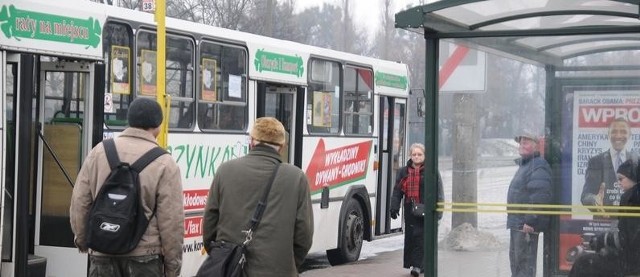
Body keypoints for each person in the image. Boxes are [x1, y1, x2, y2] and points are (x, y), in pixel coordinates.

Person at [70, 97, 184, 277]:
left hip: (102, 252)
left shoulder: (99, 151)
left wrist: (84, 240)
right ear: (158, 125)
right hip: (145, 257)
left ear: (129, 121)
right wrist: (172, 268)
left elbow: (80, 201)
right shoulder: (164, 162)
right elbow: (171, 221)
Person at [202, 117, 314, 277]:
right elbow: (304, 235)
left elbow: (209, 225)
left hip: (232, 270)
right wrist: (288, 263)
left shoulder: (225, 170)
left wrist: (223, 257)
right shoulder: (296, 177)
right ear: (282, 147)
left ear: (252, 141)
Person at [574, 159, 640, 277]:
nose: (618, 183)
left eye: (621, 179)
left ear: (633, 177)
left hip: (630, 262)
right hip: (633, 259)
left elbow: (627, 238)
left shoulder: (630, 197)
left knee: (582, 262)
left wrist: (600, 240)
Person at [389, 143, 444, 277]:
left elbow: (439, 191)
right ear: (410, 156)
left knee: (422, 238)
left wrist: (439, 210)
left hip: (426, 209)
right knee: (412, 238)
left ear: (424, 156)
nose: (417, 157)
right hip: (410, 209)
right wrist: (394, 207)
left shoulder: (431, 170)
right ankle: (417, 265)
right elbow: (397, 191)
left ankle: (417, 266)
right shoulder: (403, 171)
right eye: (414, 154)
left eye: (419, 154)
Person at [507, 133, 552, 277]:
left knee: (524, 266)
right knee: (517, 265)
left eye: (526, 143)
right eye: (520, 143)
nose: (521, 146)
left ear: (536, 145)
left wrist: (530, 220)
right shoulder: (526, 165)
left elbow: (540, 195)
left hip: (525, 226)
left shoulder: (538, 165)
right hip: (517, 223)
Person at [582, 117, 631, 212]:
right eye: (614, 132)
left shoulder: (636, 161)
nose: (618, 136)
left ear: (629, 135)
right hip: (603, 222)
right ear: (608, 134)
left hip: (630, 222)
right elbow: (585, 196)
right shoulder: (595, 161)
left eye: (623, 131)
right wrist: (594, 200)